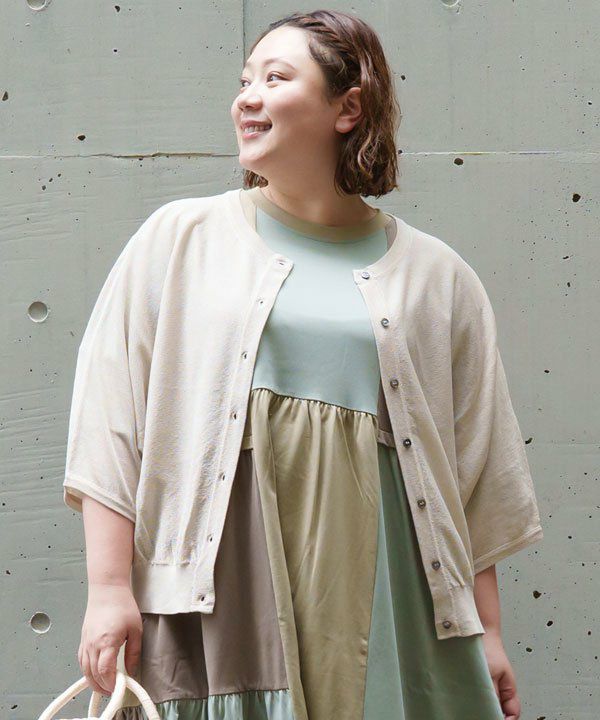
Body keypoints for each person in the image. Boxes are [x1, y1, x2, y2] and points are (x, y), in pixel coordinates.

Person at [65, 10, 543, 720]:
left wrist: (489, 630)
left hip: (389, 599)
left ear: (348, 108)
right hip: (223, 595)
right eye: (244, 81)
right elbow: (112, 421)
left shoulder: (439, 279)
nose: (247, 98)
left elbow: (475, 468)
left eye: (275, 78)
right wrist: (108, 590)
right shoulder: (179, 240)